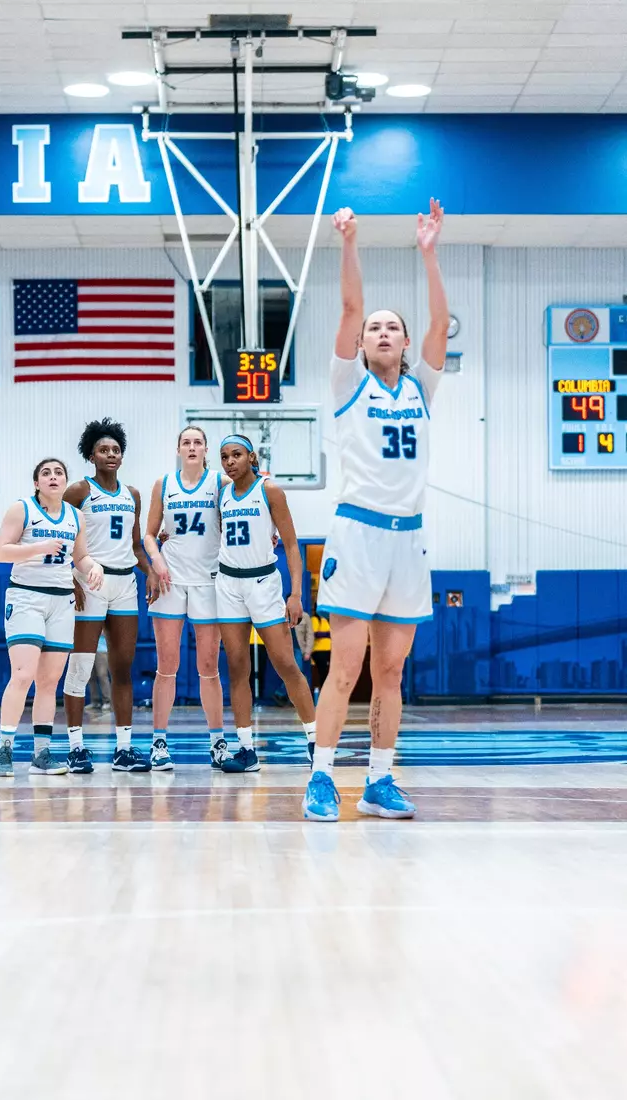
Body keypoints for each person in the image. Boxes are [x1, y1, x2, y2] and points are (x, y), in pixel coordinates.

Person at [303, 199, 448, 822]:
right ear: (361, 346)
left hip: (408, 540)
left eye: (394, 327)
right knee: (347, 667)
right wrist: (349, 242)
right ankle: (320, 777)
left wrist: (428, 254)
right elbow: (349, 307)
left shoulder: (421, 387)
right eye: (375, 329)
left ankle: (380, 779)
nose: (382, 332)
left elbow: (441, 324)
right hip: (357, 533)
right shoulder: (347, 384)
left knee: (391, 670)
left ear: (405, 342)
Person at [0, 457, 104, 777]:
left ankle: (42, 754)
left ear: (65, 482)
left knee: (49, 681)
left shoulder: (76, 516)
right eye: (46, 473)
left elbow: (79, 557)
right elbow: (1, 552)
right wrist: (37, 548)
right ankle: (5, 748)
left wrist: (92, 567)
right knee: (23, 674)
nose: (53, 477)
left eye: (59, 473)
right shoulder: (21, 509)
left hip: (61, 602)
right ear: (36, 483)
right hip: (26, 597)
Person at [62, 419, 157, 775]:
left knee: (122, 669)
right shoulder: (78, 491)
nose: (111, 455)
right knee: (81, 667)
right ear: (91, 455)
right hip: (90, 583)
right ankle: (75, 748)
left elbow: (135, 545)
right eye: (104, 450)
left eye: (116, 450)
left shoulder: (132, 494)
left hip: (125, 585)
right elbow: (64, 537)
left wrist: (155, 573)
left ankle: (124, 749)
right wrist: (70, 580)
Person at [216, 435, 316, 772]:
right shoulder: (222, 494)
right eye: (225, 457)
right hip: (228, 583)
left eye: (236, 455)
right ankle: (246, 749)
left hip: (263, 582)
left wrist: (296, 593)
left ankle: (316, 739)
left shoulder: (269, 490)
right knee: (237, 667)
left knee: (286, 664)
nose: (230, 462)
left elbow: (290, 544)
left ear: (251, 457)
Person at [144, 425, 230, 770]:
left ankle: (217, 742)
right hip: (170, 581)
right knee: (167, 667)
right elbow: (149, 534)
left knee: (208, 668)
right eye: (186, 442)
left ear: (206, 450)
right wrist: (158, 561)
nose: (192, 447)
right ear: (178, 449)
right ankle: (159, 742)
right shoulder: (163, 484)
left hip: (209, 581)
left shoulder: (220, 484)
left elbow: (237, 521)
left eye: (197, 442)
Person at [273, 608, 313, 705]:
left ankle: (281, 693)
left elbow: (310, 634)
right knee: (289, 673)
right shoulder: (282, 616)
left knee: (296, 673)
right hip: (286, 649)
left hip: (299, 649)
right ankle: (291, 697)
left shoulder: (305, 616)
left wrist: (308, 651)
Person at [88, 630, 111, 711]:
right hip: (89, 649)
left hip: (102, 650)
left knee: (102, 675)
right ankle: (95, 701)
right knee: (90, 677)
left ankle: (108, 701)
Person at [311, 605, 332, 692]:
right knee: (323, 672)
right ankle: (324, 692)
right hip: (319, 651)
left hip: (328, 650)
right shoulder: (315, 619)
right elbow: (314, 634)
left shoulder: (326, 620)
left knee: (328, 672)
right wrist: (327, 634)